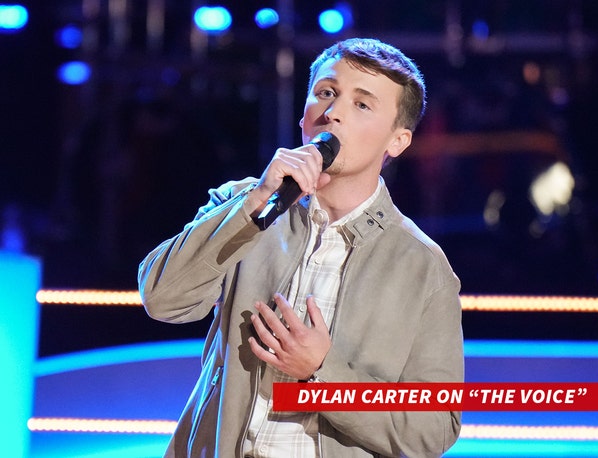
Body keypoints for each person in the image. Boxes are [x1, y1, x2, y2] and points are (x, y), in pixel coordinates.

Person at [138, 37, 463, 458]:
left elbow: (434, 426)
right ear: (303, 114)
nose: (333, 112)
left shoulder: (421, 265)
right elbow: (162, 298)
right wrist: (256, 201)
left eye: (362, 104)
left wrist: (321, 374)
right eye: (326, 93)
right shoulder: (242, 204)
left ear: (397, 141)